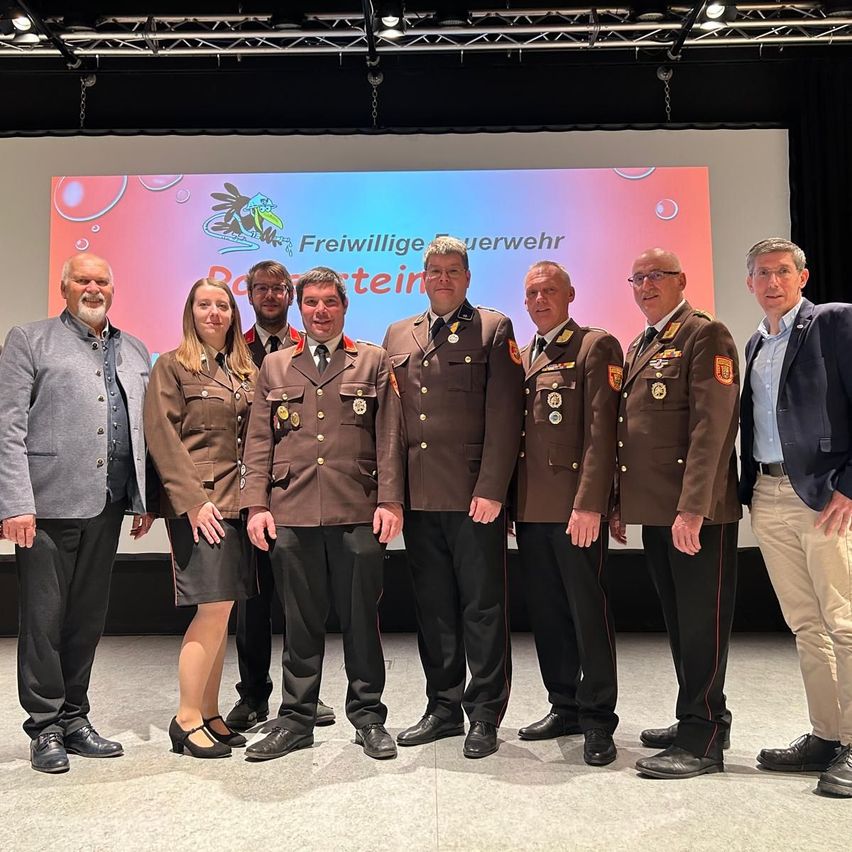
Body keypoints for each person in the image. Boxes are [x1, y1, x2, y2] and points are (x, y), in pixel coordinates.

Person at [241, 266, 404, 762]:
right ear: (299, 307)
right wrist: (255, 505)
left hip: (356, 508)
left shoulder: (371, 361)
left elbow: (391, 436)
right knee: (299, 622)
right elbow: (259, 441)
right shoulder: (274, 367)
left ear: (344, 306)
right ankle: (296, 718)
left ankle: (369, 716)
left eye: (329, 301)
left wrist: (391, 500)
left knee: (361, 619)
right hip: (291, 510)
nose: (319, 310)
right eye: (310, 302)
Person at [0, 253, 153, 773]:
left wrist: (141, 496)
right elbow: (8, 428)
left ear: (113, 288)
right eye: (83, 280)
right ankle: (43, 728)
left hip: (106, 506)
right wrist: (16, 503)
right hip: (43, 509)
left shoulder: (134, 349)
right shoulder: (29, 340)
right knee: (43, 621)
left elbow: (140, 431)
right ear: (64, 287)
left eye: (102, 280)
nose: (93, 287)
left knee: (87, 618)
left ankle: (75, 717)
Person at [383, 236, 524, 759]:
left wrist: (492, 488)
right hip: (419, 498)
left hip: (472, 498)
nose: (443, 278)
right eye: (434, 271)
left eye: (453, 271)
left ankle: (484, 712)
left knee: (482, 608)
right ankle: (442, 707)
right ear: (422, 278)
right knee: (434, 609)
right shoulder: (399, 333)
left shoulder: (494, 328)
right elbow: (392, 423)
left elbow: (506, 416)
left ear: (468, 278)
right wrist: (392, 495)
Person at [610, 247, 741, 779]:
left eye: (655, 276)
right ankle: (697, 714)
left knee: (702, 625)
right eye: (637, 277)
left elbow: (713, 428)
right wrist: (621, 503)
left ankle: (703, 738)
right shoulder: (644, 340)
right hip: (659, 512)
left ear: (681, 280)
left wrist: (694, 509)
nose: (645, 285)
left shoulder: (706, 334)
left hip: (695, 516)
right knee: (681, 623)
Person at [739, 238, 852, 798]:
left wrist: (849, 486)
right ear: (749, 284)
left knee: (845, 623)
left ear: (802, 278)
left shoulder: (833, 322)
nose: (772, 281)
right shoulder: (755, 343)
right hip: (768, 490)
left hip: (822, 496)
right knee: (807, 626)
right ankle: (827, 737)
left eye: (782, 271)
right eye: (761, 273)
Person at [512, 261, 622, 766]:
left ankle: (599, 719)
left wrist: (591, 503)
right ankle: (565, 704)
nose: (539, 300)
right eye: (532, 292)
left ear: (570, 294)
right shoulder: (525, 353)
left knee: (586, 613)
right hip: (533, 509)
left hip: (575, 510)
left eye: (549, 291)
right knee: (549, 613)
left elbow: (603, 435)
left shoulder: (594, 346)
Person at [144, 278, 258, 759]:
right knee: (210, 609)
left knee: (224, 610)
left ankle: (210, 711)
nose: (214, 313)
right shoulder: (172, 366)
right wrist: (192, 501)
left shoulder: (244, 371)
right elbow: (161, 437)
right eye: (204, 305)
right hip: (200, 508)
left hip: (237, 503)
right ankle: (186, 718)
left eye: (223, 306)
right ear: (190, 312)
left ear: (233, 315)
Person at [226, 260, 334, 732]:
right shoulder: (231, 348)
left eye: (278, 289)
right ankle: (252, 695)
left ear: (290, 297)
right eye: (261, 289)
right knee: (252, 601)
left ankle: (304, 694)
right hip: (244, 490)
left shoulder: (311, 346)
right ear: (248, 294)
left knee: (300, 601)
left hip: (299, 491)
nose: (270, 296)